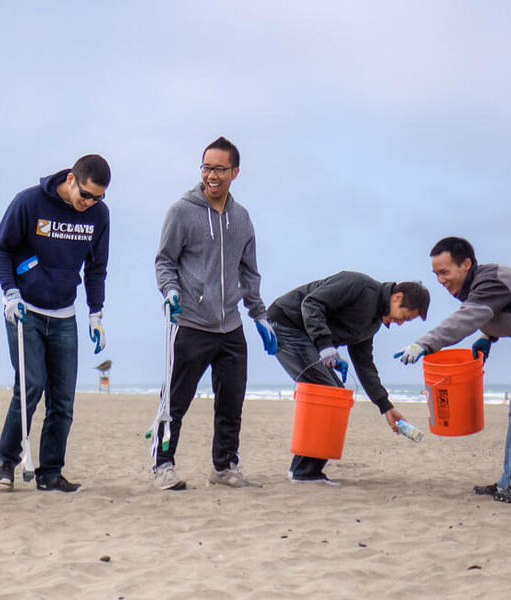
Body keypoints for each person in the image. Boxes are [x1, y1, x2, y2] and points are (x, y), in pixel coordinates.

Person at [152, 137, 278, 491]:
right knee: (175, 401)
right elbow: (165, 261)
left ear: (235, 172)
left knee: (231, 403)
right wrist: (171, 291)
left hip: (230, 326)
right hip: (190, 322)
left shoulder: (241, 218)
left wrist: (260, 316)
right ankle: (163, 464)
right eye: (206, 167)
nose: (211, 175)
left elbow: (249, 272)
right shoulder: (182, 211)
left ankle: (224, 467)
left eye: (219, 169)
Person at [0, 154, 111, 493]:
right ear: (71, 179)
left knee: (63, 399)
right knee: (31, 386)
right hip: (24, 308)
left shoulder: (99, 216)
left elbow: (96, 267)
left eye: (98, 197)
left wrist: (95, 313)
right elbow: (1, 250)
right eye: (85, 194)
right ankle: (5, 462)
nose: (89, 203)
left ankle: (50, 473)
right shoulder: (28, 202)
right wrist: (10, 292)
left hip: (64, 314)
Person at [268, 272, 430, 484]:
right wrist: (325, 345)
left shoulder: (372, 324)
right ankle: (305, 472)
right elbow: (311, 303)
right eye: (405, 315)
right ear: (397, 297)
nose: (400, 323)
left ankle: (303, 470)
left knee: (336, 395)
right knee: (329, 393)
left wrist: (385, 406)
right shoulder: (359, 285)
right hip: (286, 323)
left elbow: (364, 365)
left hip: (306, 336)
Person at [395, 237, 511, 503]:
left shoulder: (490, 280)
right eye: (436, 274)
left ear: (466, 264)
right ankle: (508, 482)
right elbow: (492, 313)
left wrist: (423, 343)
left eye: (445, 272)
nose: (441, 280)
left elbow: (467, 318)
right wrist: (489, 337)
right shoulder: (479, 285)